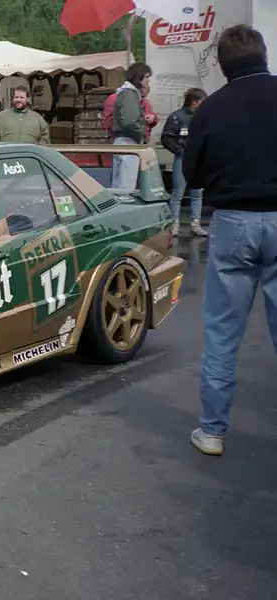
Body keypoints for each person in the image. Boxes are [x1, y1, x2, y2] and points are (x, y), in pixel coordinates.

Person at [182, 24, 277, 456]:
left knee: (222, 332)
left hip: (234, 222)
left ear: (222, 65)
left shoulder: (210, 110)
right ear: (264, 56)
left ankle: (213, 431)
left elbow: (194, 176)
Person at [161, 88, 208, 237]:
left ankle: (196, 223)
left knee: (198, 193)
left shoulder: (202, 117)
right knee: (177, 193)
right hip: (182, 159)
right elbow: (166, 138)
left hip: (198, 159)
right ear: (194, 102)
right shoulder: (176, 117)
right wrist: (180, 151)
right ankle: (174, 223)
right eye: (202, 101)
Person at [110, 62, 152, 189]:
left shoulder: (126, 93)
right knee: (126, 187)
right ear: (139, 77)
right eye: (146, 78)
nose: (147, 82)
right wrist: (142, 134)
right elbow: (130, 121)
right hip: (128, 142)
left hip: (124, 142)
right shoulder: (130, 94)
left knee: (120, 184)